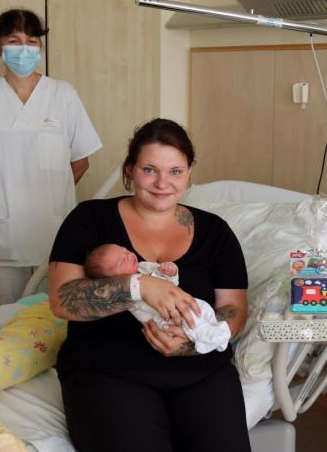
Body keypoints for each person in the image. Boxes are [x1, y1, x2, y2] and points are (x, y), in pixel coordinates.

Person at [48, 118, 251, 451]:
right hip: (109, 371)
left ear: (189, 172)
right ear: (130, 170)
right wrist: (139, 287)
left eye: (175, 171)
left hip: (200, 370)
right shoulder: (90, 219)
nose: (162, 183)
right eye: (149, 170)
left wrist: (192, 343)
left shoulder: (216, 232)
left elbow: (235, 309)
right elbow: (62, 300)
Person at [0, 9, 102, 305]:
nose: (23, 49)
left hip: (53, 225)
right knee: (10, 310)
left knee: (55, 310)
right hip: (3, 227)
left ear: (40, 46)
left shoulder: (63, 95)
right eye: (14, 40)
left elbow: (80, 160)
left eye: (32, 41)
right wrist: (2, 192)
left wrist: (49, 194)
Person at [84, 243, 232, 354]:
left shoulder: (144, 267)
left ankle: (212, 332)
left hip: (184, 302)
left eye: (125, 251)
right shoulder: (124, 295)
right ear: (113, 280)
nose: (129, 255)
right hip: (164, 318)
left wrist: (168, 271)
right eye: (122, 262)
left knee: (203, 309)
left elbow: (171, 284)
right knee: (192, 324)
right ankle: (212, 338)